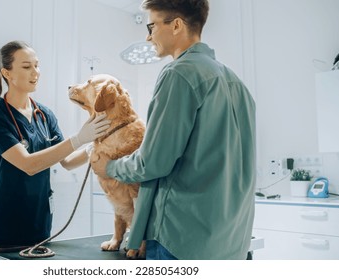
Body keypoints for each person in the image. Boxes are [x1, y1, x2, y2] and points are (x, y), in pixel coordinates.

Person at [92, 0, 256, 260]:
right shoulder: (237, 84)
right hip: (231, 241)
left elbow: (153, 162)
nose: (148, 36)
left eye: (151, 26)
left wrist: (109, 168)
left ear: (176, 25)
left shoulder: (179, 74)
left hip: (181, 240)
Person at [0, 41, 110, 250]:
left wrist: (96, 145)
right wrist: (79, 138)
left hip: (39, 226)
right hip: (3, 229)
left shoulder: (44, 115)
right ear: (7, 73)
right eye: (27, 67)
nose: (36, 72)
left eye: (37, 65)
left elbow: (66, 161)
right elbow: (29, 165)